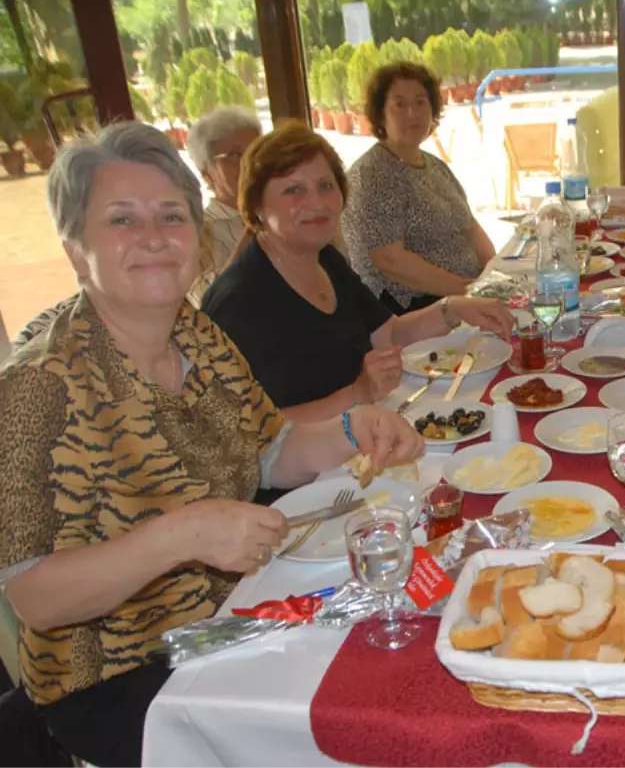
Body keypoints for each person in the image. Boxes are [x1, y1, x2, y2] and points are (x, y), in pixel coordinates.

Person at [0, 122, 424, 768]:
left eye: (171, 216)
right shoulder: (34, 389)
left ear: (196, 237)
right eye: (121, 220)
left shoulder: (194, 333)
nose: (151, 238)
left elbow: (271, 448)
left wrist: (351, 428)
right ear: (73, 245)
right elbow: (34, 595)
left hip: (235, 615)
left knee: (397, 659)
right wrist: (183, 535)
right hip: (121, 675)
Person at [202, 121, 511, 422]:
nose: (317, 202)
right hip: (311, 467)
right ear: (257, 204)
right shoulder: (239, 302)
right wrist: (357, 393)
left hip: (365, 429)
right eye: (294, 190)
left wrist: (454, 308)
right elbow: (254, 432)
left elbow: (389, 334)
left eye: (326, 186)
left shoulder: (325, 259)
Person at [341, 62, 496, 313]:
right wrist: (467, 290)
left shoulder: (433, 165)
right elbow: (391, 261)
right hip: (416, 310)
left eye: (420, 102)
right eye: (400, 105)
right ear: (380, 114)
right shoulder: (372, 175)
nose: (412, 114)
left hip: (463, 295)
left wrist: (495, 274)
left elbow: (471, 228)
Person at [185, 105, 262, 306]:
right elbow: (206, 304)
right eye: (234, 155)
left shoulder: (289, 210)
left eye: (256, 150)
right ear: (206, 173)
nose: (250, 162)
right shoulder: (199, 233)